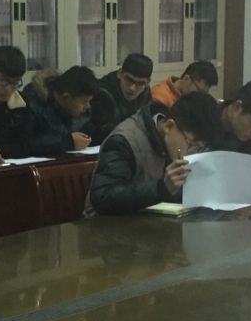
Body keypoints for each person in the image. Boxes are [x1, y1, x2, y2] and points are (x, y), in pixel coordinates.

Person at [85, 92, 221, 216]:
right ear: (169, 126)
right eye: (191, 144)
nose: (192, 153)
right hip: (106, 225)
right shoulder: (125, 141)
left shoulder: (172, 142)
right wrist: (162, 187)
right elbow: (103, 198)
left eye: (200, 149)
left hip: (149, 222)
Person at [29, 66, 99, 156]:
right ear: (66, 97)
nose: (88, 106)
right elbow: (30, 144)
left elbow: (89, 130)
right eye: (84, 102)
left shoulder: (79, 113)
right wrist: (69, 142)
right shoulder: (34, 106)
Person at [89, 53, 153, 143]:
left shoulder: (145, 92)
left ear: (147, 83)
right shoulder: (102, 93)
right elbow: (102, 133)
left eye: (140, 83)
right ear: (120, 74)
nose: (132, 88)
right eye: (129, 79)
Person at [150, 60, 218, 109]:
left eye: (204, 94)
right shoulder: (159, 97)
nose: (200, 96)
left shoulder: (188, 98)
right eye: (199, 91)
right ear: (186, 79)